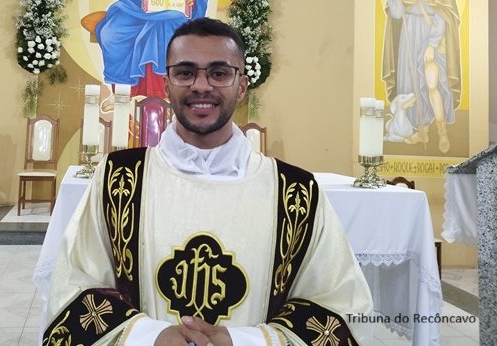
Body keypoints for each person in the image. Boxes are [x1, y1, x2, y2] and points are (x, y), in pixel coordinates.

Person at [43, 17, 372, 346]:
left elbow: (341, 306)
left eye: (219, 72)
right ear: (166, 83)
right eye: (185, 72)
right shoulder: (119, 180)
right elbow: (72, 287)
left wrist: (244, 341)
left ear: (241, 86)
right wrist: (150, 337)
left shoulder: (296, 193)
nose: (201, 86)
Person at [382, 0, 461, 154]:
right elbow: (397, 14)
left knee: (432, 85)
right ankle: (422, 131)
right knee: (413, 85)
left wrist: (432, 44)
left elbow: (443, 12)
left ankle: (442, 132)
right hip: (409, 34)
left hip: (432, 32)